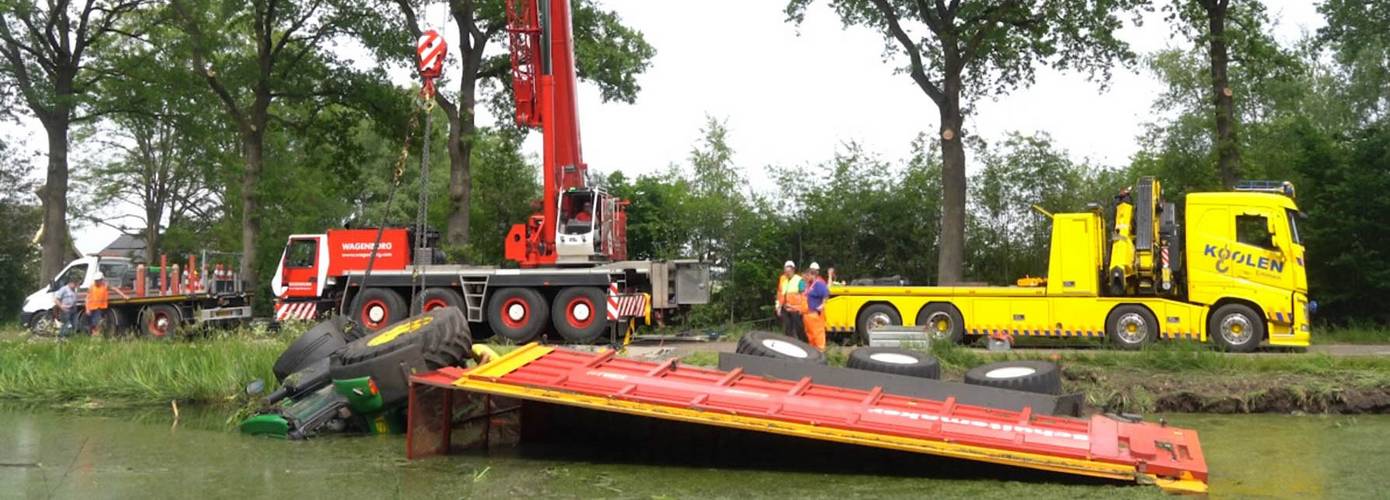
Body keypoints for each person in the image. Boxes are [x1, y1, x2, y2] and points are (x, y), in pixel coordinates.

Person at [86, 272, 129, 337]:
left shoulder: (105, 285)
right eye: (96, 280)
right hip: (93, 308)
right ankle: (94, 336)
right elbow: (87, 298)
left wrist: (123, 296)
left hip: (101, 308)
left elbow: (115, 289)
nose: (97, 282)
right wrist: (87, 309)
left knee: (100, 323)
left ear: (101, 280)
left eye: (98, 280)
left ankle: (96, 336)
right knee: (95, 324)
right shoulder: (91, 287)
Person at [801, 262, 830, 351]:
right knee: (810, 334)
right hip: (807, 315)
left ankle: (821, 351)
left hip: (815, 314)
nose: (806, 277)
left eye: (808, 276)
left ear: (813, 275)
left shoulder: (819, 284)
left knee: (818, 333)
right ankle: (813, 351)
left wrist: (822, 305)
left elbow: (826, 294)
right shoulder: (807, 285)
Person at [774, 261, 806, 342]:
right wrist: (778, 307)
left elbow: (804, 295)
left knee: (799, 329)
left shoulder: (800, 280)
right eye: (786, 271)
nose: (787, 273)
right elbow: (780, 294)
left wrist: (802, 309)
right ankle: (789, 344)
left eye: (789, 271)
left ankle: (803, 344)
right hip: (786, 308)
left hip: (796, 309)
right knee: (787, 328)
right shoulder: (783, 280)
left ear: (793, 270)